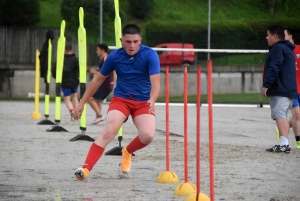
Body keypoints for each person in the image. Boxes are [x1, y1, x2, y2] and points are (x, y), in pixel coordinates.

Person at [73, 24, 160, 180]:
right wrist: (81, 103)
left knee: (147, 136)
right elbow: (97, 80)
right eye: (128, 42)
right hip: (122, 99)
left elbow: (156, 83)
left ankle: (126, 151)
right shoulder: (114, 56)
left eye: (135, 41)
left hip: (143, 102)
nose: (132, 45)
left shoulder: (150, 55)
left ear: (140, 40)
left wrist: (152, 99)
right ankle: (85, 169)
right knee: (108, 131)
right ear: (121, 40)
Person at [263, 25, 297, 153]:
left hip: (281, 88)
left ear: (274, 36)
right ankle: (284, 142)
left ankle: (284, 144)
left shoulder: (278, 48)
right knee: (282, 114)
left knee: (280, 114)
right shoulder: (286, 48)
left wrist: (267, 84)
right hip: (288, 87)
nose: (266, 38)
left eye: (268, 35)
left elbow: (274, 67)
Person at [275, 27, 300, 150]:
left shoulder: (298, 49)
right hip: (292, 88)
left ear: (290, 36)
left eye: (283, 34)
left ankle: (283, 126)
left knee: (298, 117)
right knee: (297, 114)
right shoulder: (281, 50)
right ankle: (298, 141)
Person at [88, 43, 115, 124]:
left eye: (97, 50)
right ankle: (98, 119)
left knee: (90, 98)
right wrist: (112, 81)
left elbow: (104, 73)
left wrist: (94, 72)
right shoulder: (107, 59)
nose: (96, 52)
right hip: (108, 85)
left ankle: (100, 116)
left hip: (105, 84)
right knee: (97, 101)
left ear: (102, 50)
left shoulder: (105, 59)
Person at [52, 44, 79, 121]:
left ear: (65, 50)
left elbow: (54, 70)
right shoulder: (76, 59)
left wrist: (57, 78)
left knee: (67, 98)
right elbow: (79, 69)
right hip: (74, 80)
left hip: (64, 80)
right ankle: (77, 113)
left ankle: (72, 111)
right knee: (74, 96)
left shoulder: (60, 59)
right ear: (72, 50)